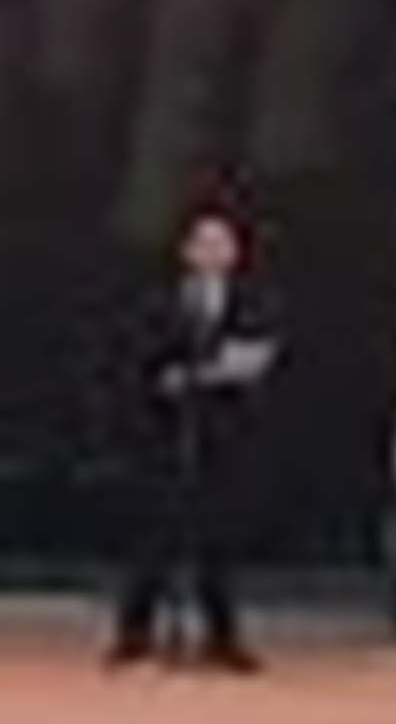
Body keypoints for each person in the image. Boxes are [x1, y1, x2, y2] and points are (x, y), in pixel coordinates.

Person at [110, 202, 277, 671]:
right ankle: (134, 635)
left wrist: (230, 371)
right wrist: (168, 378)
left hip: (223, 436)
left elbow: (260, 353)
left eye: (221, 244)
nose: (213, 253)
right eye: (204, 244)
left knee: (218, 541)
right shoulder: (162, 301)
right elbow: (139, 356)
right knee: (153, 536)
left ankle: (223, 639)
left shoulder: (252, 302)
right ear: (187, 251)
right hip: (168, 433)